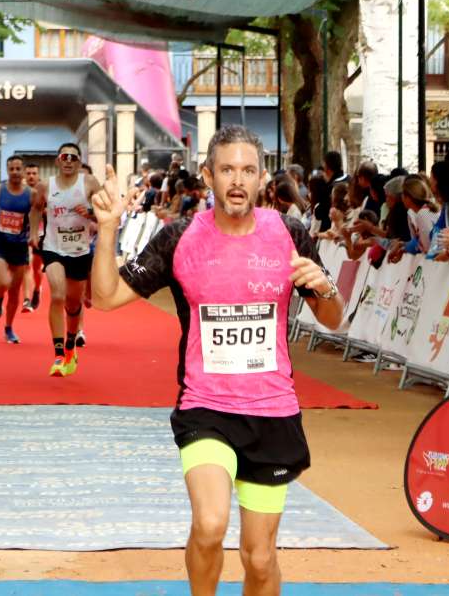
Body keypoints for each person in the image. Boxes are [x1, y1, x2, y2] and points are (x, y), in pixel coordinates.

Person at [89, 125, 344, 596]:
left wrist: (325, 286)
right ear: (208, 175)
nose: (237, 180)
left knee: (260, 558)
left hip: (273, 412)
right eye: (227, 169)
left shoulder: (288, 233)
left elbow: (332, 318)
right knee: (209, 524)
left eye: (248, 170)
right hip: (205, 408)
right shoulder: (180, 238)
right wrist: (107, 230)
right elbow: (104, 298)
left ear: (262, 177)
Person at [36, 143, 101, 377]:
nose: (68, 160)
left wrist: (91, 210)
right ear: (57, 160)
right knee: (56, 295)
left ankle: (71, 347)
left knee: (74, 305)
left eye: (73, 157)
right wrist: (34, 233)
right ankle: (58, 354)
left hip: (79, 250)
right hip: (53, 247)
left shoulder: (90, 183)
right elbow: (35, 208)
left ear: (79, 162)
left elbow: (106, 210)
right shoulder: (46, 186)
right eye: (64, 156)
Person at [0, 156, 41, 344]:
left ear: (22, 171)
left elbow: (37, 213)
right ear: (7, 171)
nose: (15, 172)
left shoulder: (31, 194)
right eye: (11, 169)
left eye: (17, 169)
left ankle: (9, 327)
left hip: (20, 247)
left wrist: (34, 234)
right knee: (2, 282)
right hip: (0, 245)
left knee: (14, 292)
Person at [21, 162, 45, 313]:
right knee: (26, 265)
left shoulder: (44, 191)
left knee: (37, 267)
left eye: (33, 173)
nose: (31, 176)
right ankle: (26, 299)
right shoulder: (20, 191)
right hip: (23, 233)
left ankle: (37, 289)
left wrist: (38, 211)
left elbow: (51, 210)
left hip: (41, 233)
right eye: (28, 173)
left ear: (38, 175)